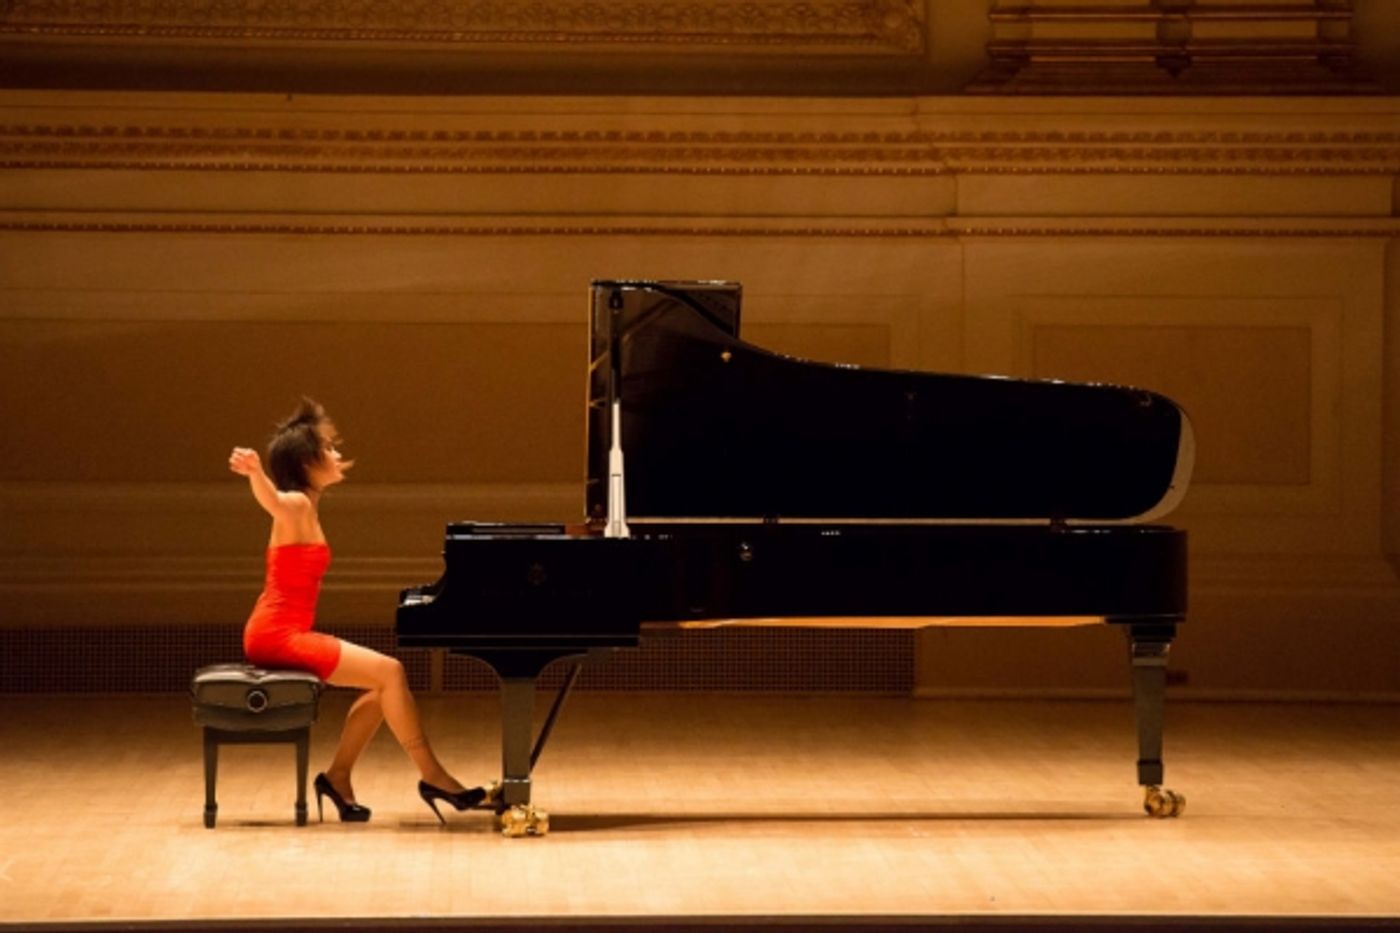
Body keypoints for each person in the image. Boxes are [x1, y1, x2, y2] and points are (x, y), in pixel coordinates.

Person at [229, 398, 483, 824]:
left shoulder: (307, 505)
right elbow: (272, 500)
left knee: (383, 690)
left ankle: (338, 778)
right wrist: (256, 473)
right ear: (306, 461)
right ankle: (433, 776)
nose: (336, 455)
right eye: (327, 449)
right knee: (391, 673)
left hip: (280, 630)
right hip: (277, 634)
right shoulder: (296, 504)